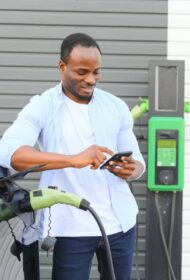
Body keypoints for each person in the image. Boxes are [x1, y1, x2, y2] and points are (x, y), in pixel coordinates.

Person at [0, 33, 145, 280]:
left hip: (121, 224)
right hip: (71, 225)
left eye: (96, 72)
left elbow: (139, 163)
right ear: (62, 67)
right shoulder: (42, 105)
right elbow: (10, 153)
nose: (91, 80)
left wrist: (132, 169)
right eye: (81, 72)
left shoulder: (116, 106)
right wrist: (73, 159)